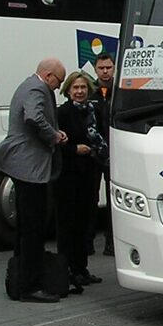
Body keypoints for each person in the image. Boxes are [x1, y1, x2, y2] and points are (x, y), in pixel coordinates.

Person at [0, 58, 68, 303]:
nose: (57, 87)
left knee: (24, 227)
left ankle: (21, 279)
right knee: (33, 227)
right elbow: (33, 116)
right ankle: (29, 286)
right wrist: (53, 136)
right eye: (58, 82)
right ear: (49, 75)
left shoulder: (27, 85)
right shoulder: (36, 88)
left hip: (24, 168)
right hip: (30, 168)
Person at [56, 71, 106, 287]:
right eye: (75, 88)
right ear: (68, 90)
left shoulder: (94, 110)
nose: (79, 92)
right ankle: (68, 269)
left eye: (83, 88)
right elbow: (56, 144)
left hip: (90, 172)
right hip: (69, 175)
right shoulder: (62, 113)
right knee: (69, 223)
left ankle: (82, 268)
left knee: (86, 221)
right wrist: (74, 149)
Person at [89, 52, 115, 256]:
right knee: (90, 198)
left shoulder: (121, 91)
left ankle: (111, 242)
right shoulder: (89, 92)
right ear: (95, 69)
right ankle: (87, 242)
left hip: (114, 154)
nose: (105, 71)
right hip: (93, 154)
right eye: (101, 68)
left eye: (108, 67)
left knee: (112, 199)